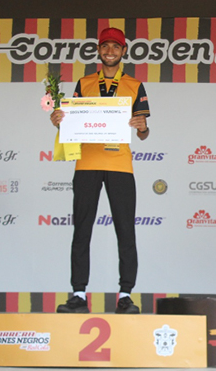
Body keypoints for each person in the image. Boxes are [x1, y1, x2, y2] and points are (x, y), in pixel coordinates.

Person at [51, 27, 151, 314]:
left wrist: (143, 127)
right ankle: (78, 295)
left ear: (124, 52)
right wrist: (59, 119)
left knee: (125, 231)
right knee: (82, 230)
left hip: (120, 165)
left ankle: (125, 295)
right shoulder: (84, 83)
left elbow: (143, 132)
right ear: (99, 50)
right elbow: (72, 123)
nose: (110, 51)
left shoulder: (134, 85)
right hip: (87, 163)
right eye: (105, 46)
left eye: (116, 47)